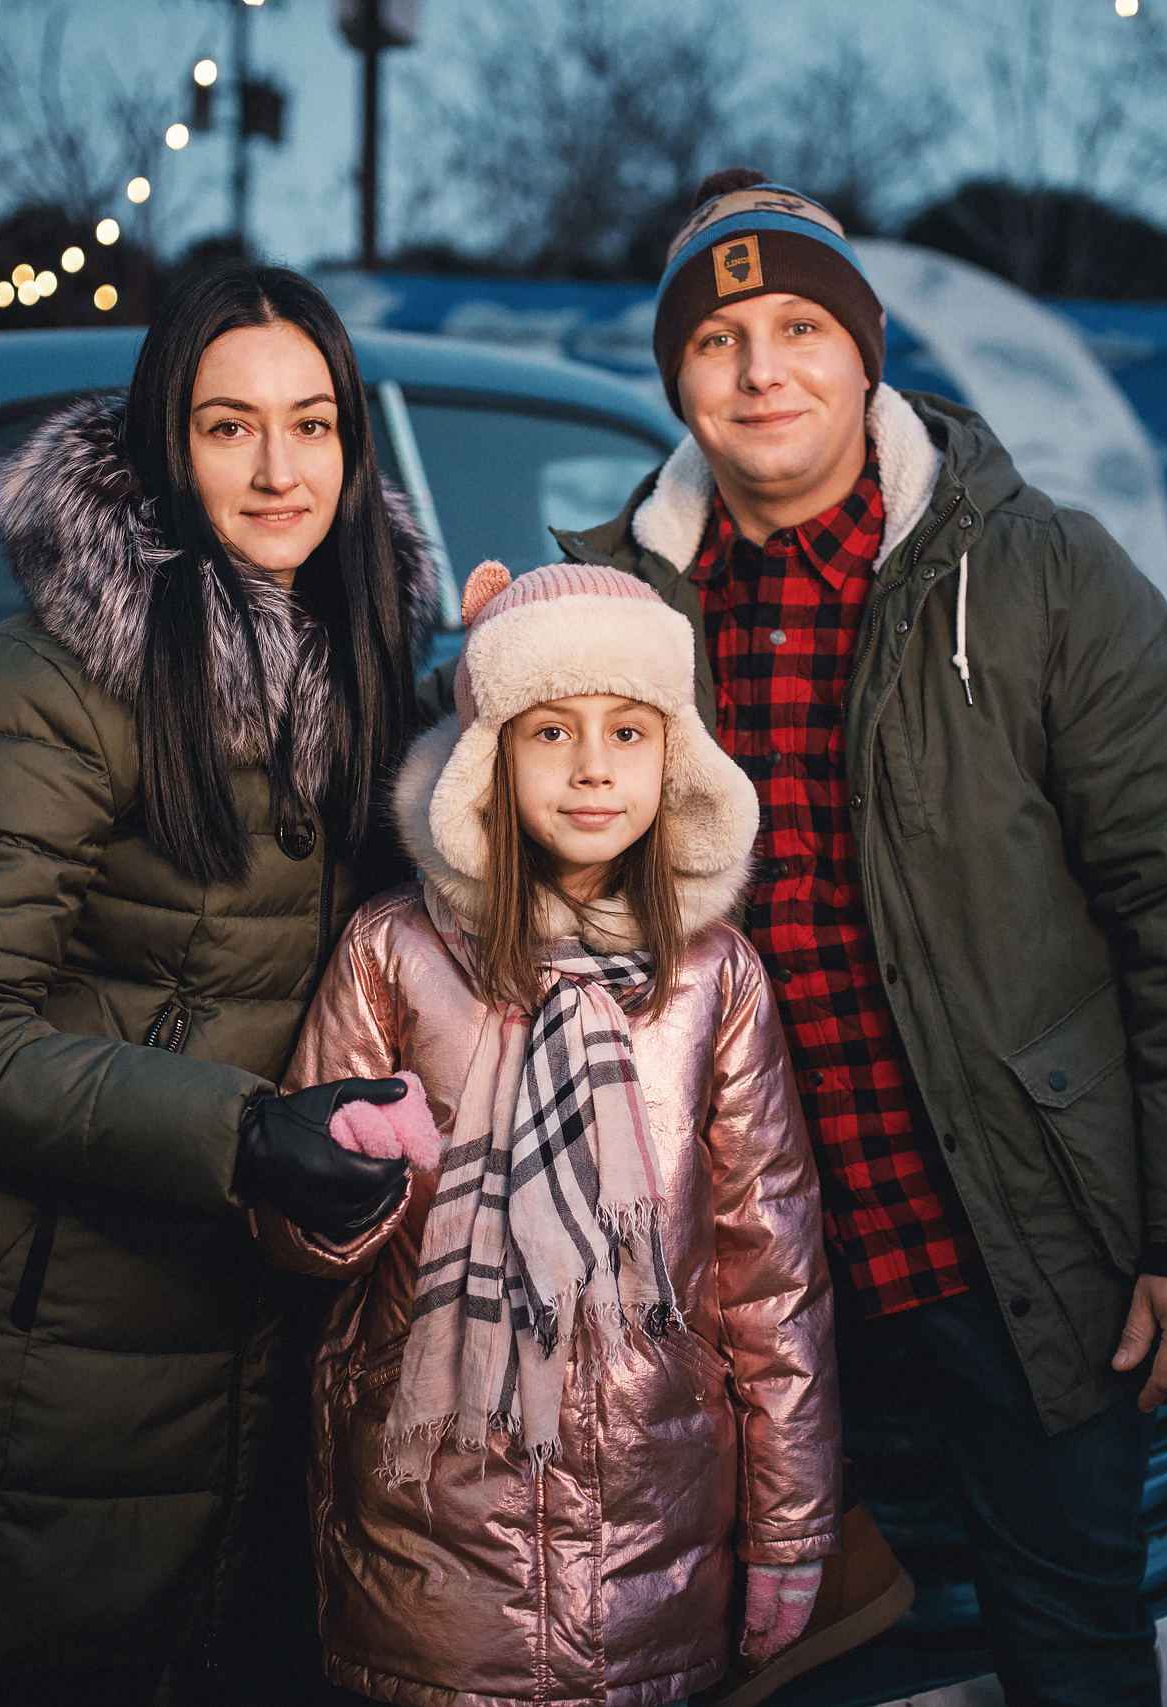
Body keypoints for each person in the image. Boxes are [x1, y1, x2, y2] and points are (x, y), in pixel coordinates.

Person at [546, 172, 1167, 1707]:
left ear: (866, 350)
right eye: (720, 338)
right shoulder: (612, 605)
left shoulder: (1042, 574)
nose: (763, 371)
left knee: (1069, 1630)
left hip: (999, 1229)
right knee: (768, 1644)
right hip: (741, 1259)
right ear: (676, 376)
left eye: (803, 326)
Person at [0, 260, 436, 1706]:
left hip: (275, 1336)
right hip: (47, 1336)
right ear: (161, 442)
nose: (280, 468)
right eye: (228, 425)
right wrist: (242, 1131)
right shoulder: (50, 674)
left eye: (314, 422)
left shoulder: (386, 669)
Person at [256, 560, 843, 1707]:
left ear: (674, 757)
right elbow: (287, 1233)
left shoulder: (715, 980)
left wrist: (790, 1523)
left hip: (654, 1532)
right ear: (486, 761)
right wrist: (344, 1178)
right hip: (428, 1522)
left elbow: (771, 1271)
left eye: (629, 732)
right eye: (550, 733)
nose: (591, 769)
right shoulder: (394, 956)